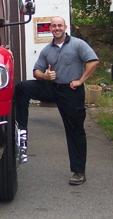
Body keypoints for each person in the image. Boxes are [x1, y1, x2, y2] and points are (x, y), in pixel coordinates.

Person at [14, 16, 99, 185]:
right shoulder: (47, 50)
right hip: (53, 88)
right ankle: (22, 132)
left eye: (60, 25)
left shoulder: (77, 44)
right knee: (22, 88)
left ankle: (78, 171)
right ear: (50, 29)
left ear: (65, 27)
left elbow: (93, 62)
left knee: (75, 131)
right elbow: (36, 71)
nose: (57, 28)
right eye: (54, 26)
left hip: (71, 91)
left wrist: (81, 80)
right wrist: (45, 75)